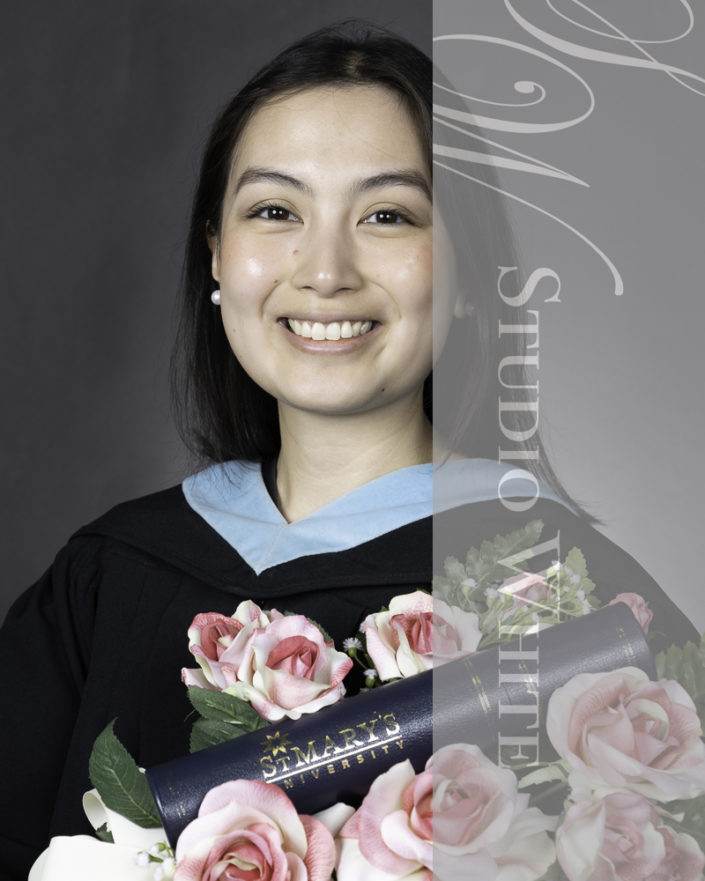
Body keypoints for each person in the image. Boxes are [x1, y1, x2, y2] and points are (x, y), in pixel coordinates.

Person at [0, 23, 697, 880]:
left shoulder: (556, 594)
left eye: (386, 215)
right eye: (274, 211)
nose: (324, 270)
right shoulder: (109, 579)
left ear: (468, 275)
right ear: (216, 254)